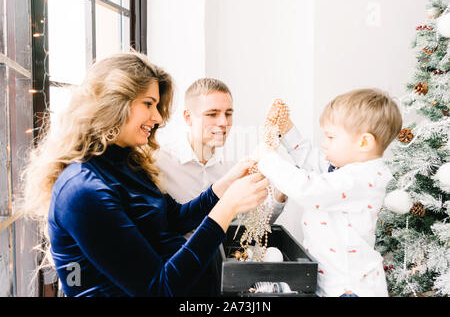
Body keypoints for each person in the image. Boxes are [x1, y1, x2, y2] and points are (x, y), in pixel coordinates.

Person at [20, 52, 270, 297]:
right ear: (113, 103)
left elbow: (175, 218)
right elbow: (158, 289)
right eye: (148, 104)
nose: (158, 117)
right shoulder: (82, 189)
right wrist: (226, 208)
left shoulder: (128, 163)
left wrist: (225, 185)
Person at [256, 88, 403, 297]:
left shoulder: (360, 180)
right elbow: (310, 159)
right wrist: (286, 129)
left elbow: (307, 189)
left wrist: (267, 158)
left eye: (331, 137)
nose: (324, 143)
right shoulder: (346, 169)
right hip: (331, 284)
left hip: (351, 290)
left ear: (364, 142)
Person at [155, 78, 286, 234]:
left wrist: (280, 194)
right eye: (212, 114)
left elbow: (251, 227)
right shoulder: (159, 163)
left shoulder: (232, 166)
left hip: (221, 257)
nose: (224, 122)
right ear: (188, 117)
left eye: (228, 114)